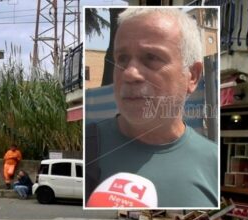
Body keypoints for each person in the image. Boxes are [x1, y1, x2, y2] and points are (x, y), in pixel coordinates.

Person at [85, 8, 217, 208]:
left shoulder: (214, 162)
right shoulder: (88, 146)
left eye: (152, 58)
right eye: (122, 59)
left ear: (192, 76)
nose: (129, 74)